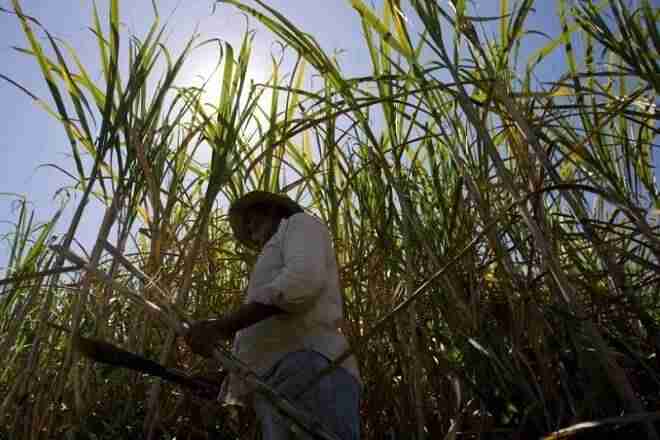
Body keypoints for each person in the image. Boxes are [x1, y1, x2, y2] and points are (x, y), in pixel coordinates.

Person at [185, 191, 361, 440]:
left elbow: (301, 283)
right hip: (278, 382)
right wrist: (225, 379)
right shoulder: (272, 257)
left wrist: (223, 327)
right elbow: (263, 337)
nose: (248, 226)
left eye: (251, 217)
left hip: (310, 368)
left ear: (271, 212)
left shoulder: (300, 225)